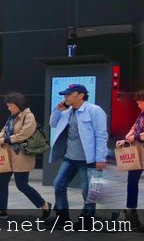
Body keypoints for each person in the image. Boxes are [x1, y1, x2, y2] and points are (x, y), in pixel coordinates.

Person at [48, 83, 108, 223]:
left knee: (88, 191)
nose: (65, 96)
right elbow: (53, 123)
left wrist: (100, 158)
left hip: (88, 160)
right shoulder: (67, 111)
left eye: (69, 94)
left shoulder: (95, 110)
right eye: (65, 94)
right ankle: (62, 216)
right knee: (59, 184)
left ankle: (87, 219)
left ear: (81, 95)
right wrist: (57, 110)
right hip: (70, 157)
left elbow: (101, 135)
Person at [0, 92, 50, 219]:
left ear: (18, 104)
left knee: (22, 185)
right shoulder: (12, 116)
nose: (9, 108)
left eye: (10, 106)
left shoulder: (29, 116)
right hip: (7, 155)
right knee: (2, 182)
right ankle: (0, 210)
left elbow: (24, 135)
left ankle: (44, 204)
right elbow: (4, 130)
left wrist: (6, 140)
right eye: (8, 106)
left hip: (22, 156)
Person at [119, 91, 144, 230]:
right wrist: (127, 137)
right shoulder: (141, 115)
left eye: (140, 102)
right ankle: (131, 210)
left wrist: (136, 137)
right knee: (132, 180)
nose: (138, 104)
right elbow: (134, 128)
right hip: (138, 152)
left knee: (133, 180)